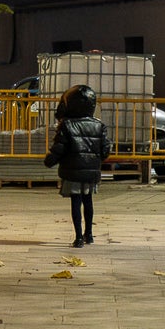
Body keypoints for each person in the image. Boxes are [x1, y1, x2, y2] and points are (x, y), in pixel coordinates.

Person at [43, 84, 107, 247]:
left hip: (72, 171)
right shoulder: (98, 125)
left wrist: (50, 160)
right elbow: (105, 150)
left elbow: (59, 148)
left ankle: (78, 237)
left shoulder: (67, 125)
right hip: (91, 171)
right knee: (89, 201)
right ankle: (89, 235)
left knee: (76, 203)